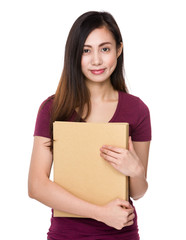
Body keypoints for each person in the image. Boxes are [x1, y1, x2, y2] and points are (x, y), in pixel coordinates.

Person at [28, 11, 151, 240]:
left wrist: (135, 171)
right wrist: (100, 213)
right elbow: (37, 186)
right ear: (75, 54)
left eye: (105, 49)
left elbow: (138, 191)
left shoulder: (137, 110)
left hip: (121, 234)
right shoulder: (53, 109)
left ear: (119, 50)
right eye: (86, 50)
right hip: (66, 235)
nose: (96, 60)